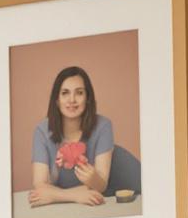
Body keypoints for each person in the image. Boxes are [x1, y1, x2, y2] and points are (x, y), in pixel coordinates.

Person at [29, 63, 141, 206]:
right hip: (95, 197)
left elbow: (100, 186)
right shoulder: (41, 131)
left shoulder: (103, 125)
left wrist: (55, 195)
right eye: (65, 93)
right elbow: (39, 186)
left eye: (79, 92)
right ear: (56, 100)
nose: (72, 100)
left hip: (129, 186)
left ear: (88, 98)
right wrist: (75, 196)